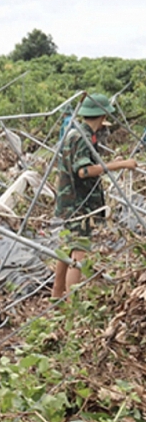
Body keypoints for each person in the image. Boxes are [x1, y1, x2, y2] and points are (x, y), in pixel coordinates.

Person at [51, 93, 137, 298]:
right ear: (102, 115)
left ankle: (56, 295)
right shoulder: (82, 136)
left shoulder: (75, 132)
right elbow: (84, 171)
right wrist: (120, 164)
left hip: (69, 200)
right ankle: (72, 304)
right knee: (78, 253)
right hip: (79, 204)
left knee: (67, 246)